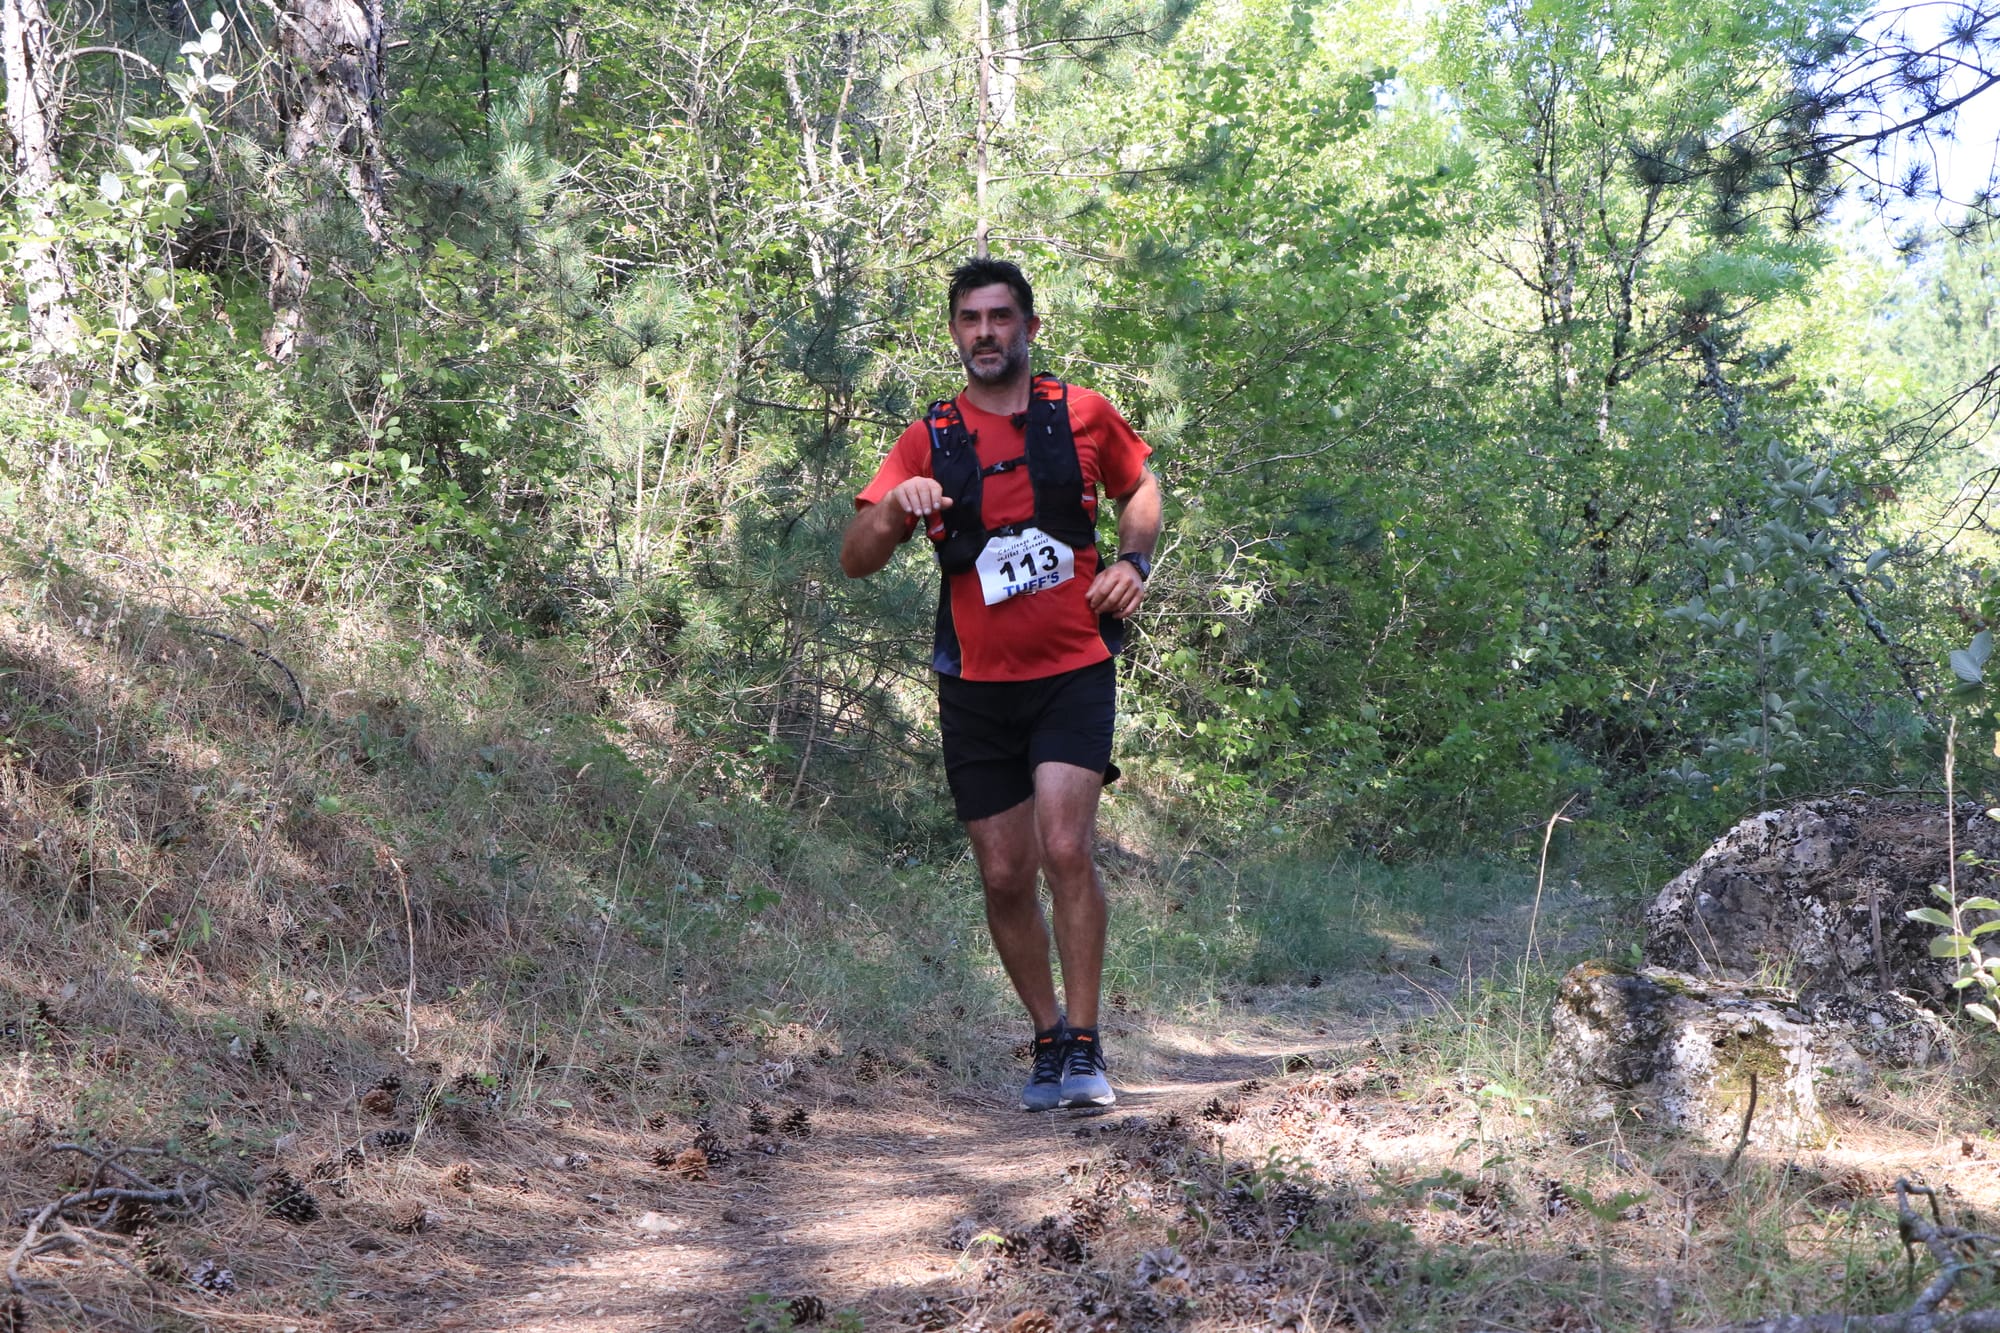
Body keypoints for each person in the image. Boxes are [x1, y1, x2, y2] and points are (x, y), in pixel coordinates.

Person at [841, 257, 1163, 1111]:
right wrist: (895, 508)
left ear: (1028, 326)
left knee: (1065, 847)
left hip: (1073, 671)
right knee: (1003, 873)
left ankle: (1089, 1045)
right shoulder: (930, 438)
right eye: (970, 320)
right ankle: (1049, 1035)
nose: (985, 332)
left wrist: (1133, 562)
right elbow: (856, 558)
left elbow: (1141, 488)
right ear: (955, 332)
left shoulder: (1082, 412)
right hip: (976, 684)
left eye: (1000, 317)